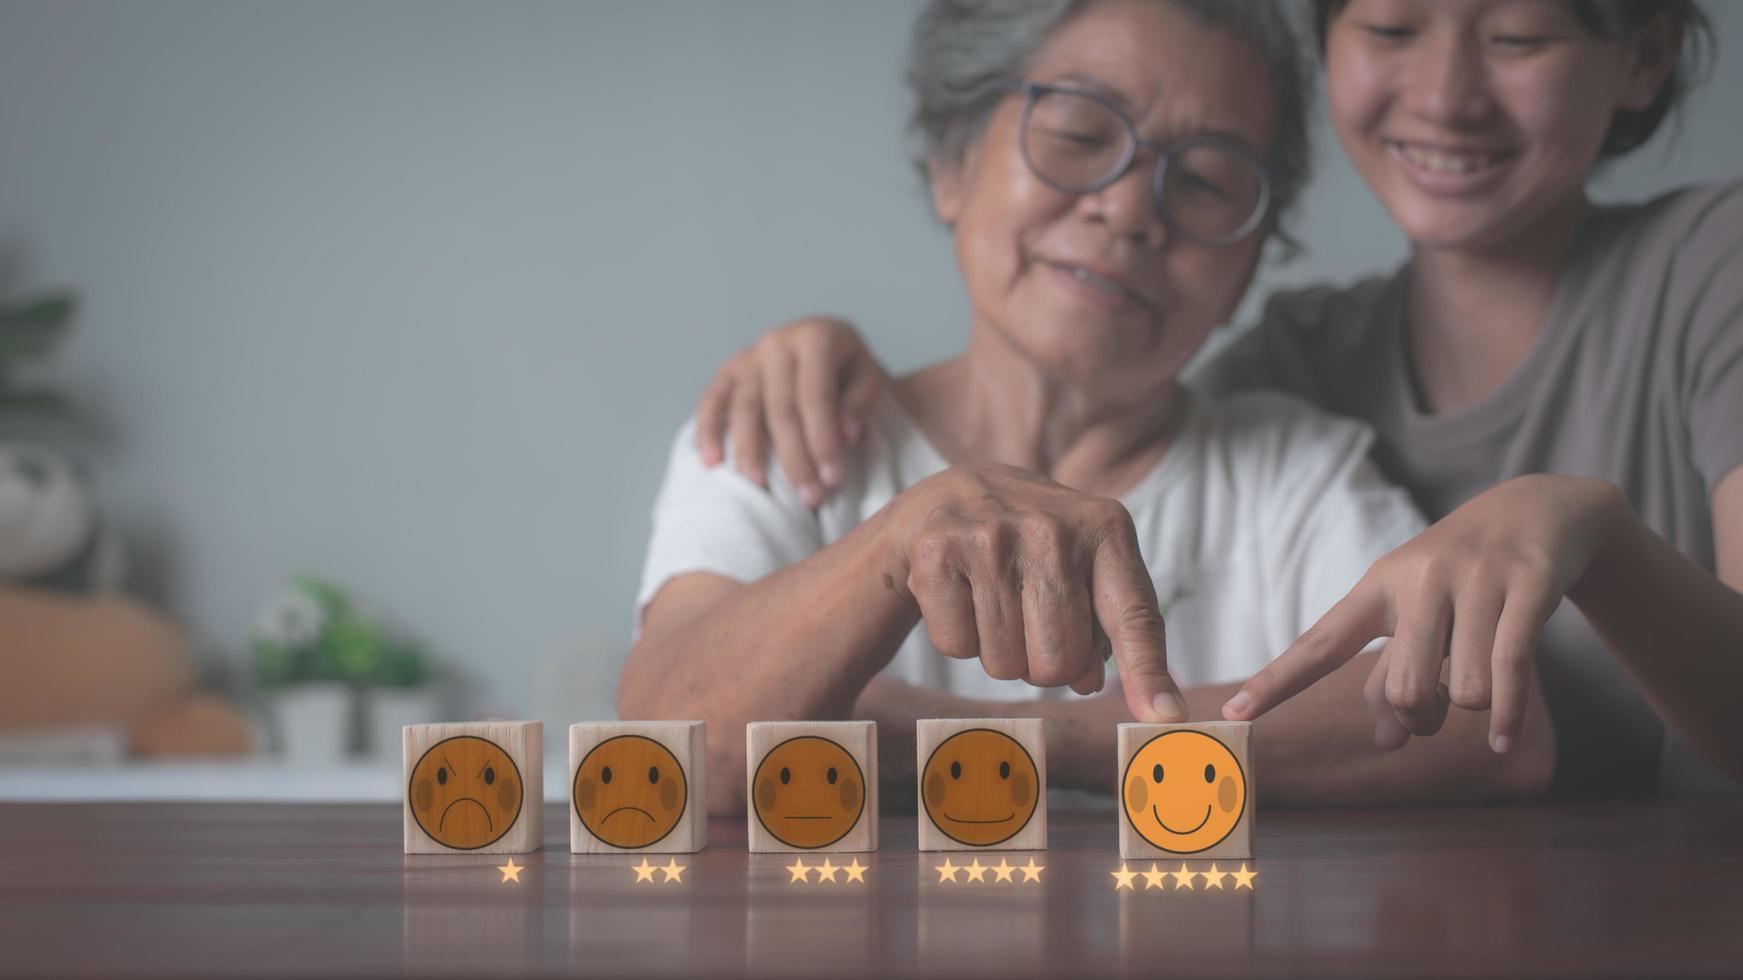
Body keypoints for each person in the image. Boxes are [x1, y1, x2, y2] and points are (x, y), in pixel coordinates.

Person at [696, 0, 1743, 796]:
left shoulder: (1716, 265)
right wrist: (820, 348)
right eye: (1388, 25)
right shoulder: (1299, 358)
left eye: (1516, 36)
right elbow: (1096, 384)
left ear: (1645, 54)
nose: (1443, 95)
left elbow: (1483, 732)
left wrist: (1594, 531)